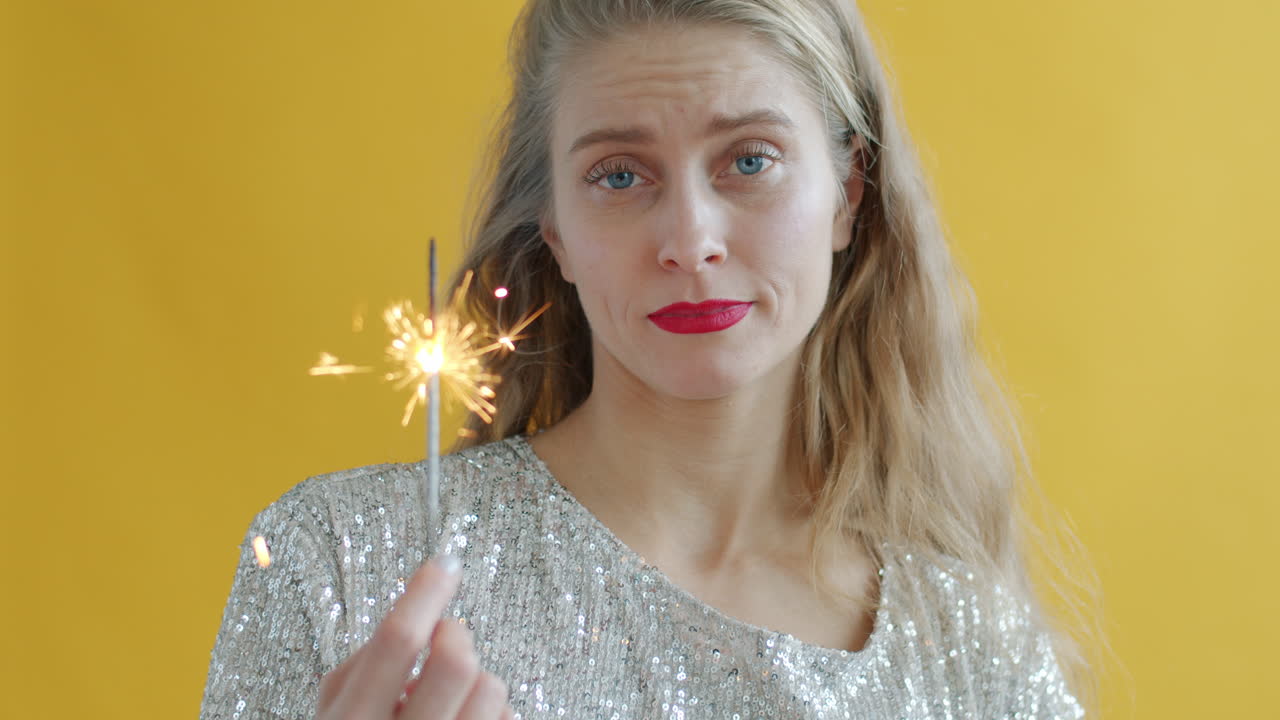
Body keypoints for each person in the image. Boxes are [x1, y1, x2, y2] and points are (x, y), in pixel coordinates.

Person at [201, 1, 1097, 718]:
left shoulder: (969, 647)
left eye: (749, 159)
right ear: (554, 229)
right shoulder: (346, 566)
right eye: (620, 176)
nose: (689, 240)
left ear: (847, 194)